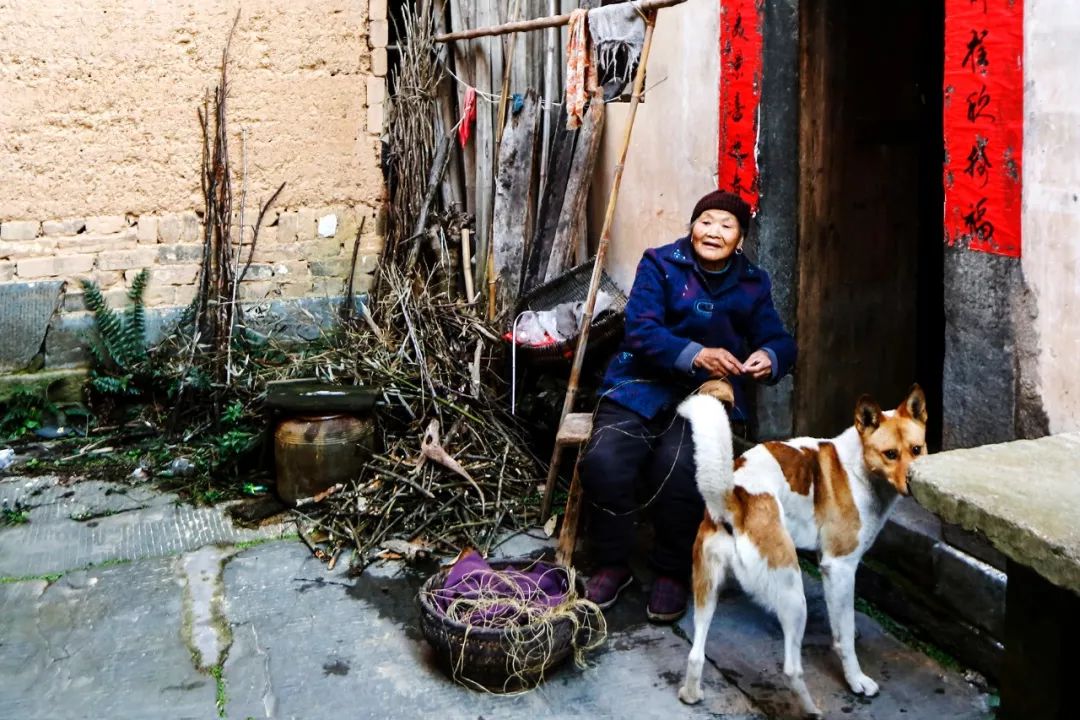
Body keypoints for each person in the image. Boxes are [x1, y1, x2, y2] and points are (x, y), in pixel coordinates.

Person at [579, 189, 796, 622]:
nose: (713, 232)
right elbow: (639, 330)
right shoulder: (659, 264)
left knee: (682, 469)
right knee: (605, 460)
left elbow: (779, 338)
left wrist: (768, 357)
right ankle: (611, 563)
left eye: (726, 225)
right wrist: (696, 353)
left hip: (705, 395)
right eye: (706, 221)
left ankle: (671, 572)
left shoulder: (753, 283)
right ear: (692, 226)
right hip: (639, 384)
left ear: (740, 239)